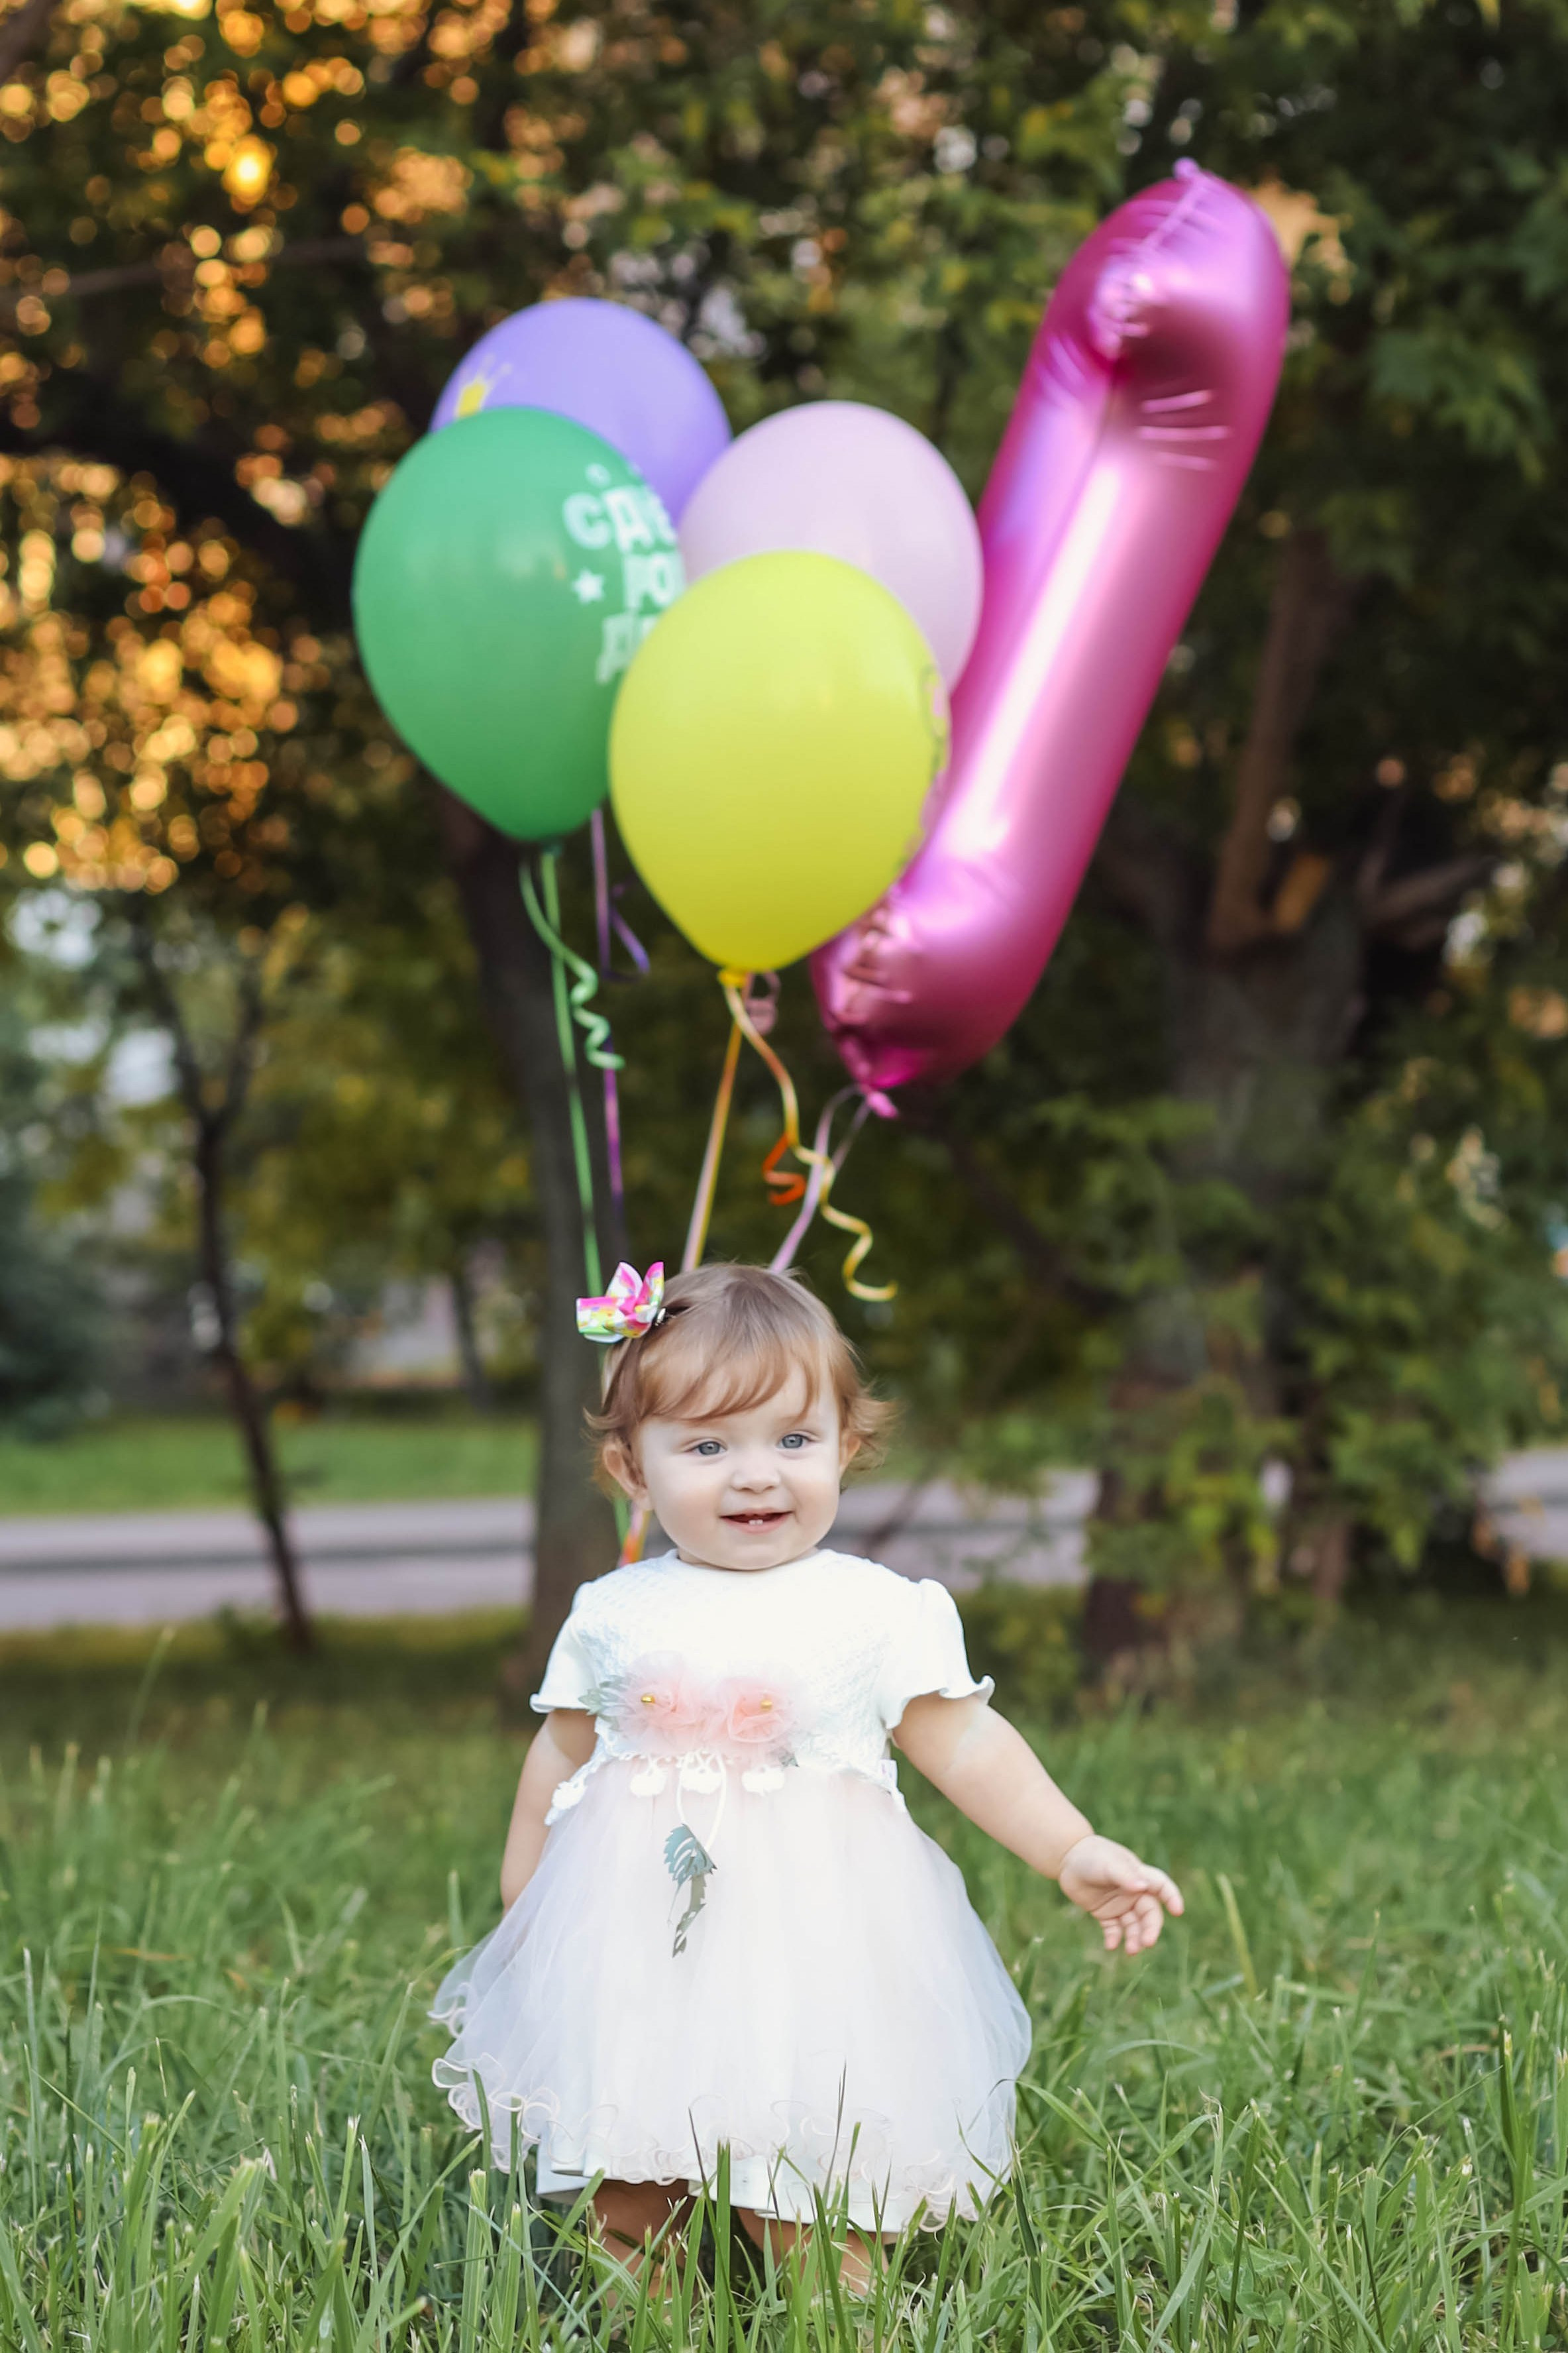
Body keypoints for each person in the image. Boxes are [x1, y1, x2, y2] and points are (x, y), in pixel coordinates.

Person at [431, 1261, 1182, 2285]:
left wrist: (1073, 1846)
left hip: (816, 1950)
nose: (756, 1474)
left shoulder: (875, 1610)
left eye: (794, 1440)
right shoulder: (612, 1614)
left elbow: (965, 1743)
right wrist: (531, 1907)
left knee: (810, 2197)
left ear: (848, 1445)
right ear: (632, 1472)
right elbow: (560, 1758)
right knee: (625, 2188)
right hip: (643, 1950)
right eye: (707, 1445)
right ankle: (656, 2319)